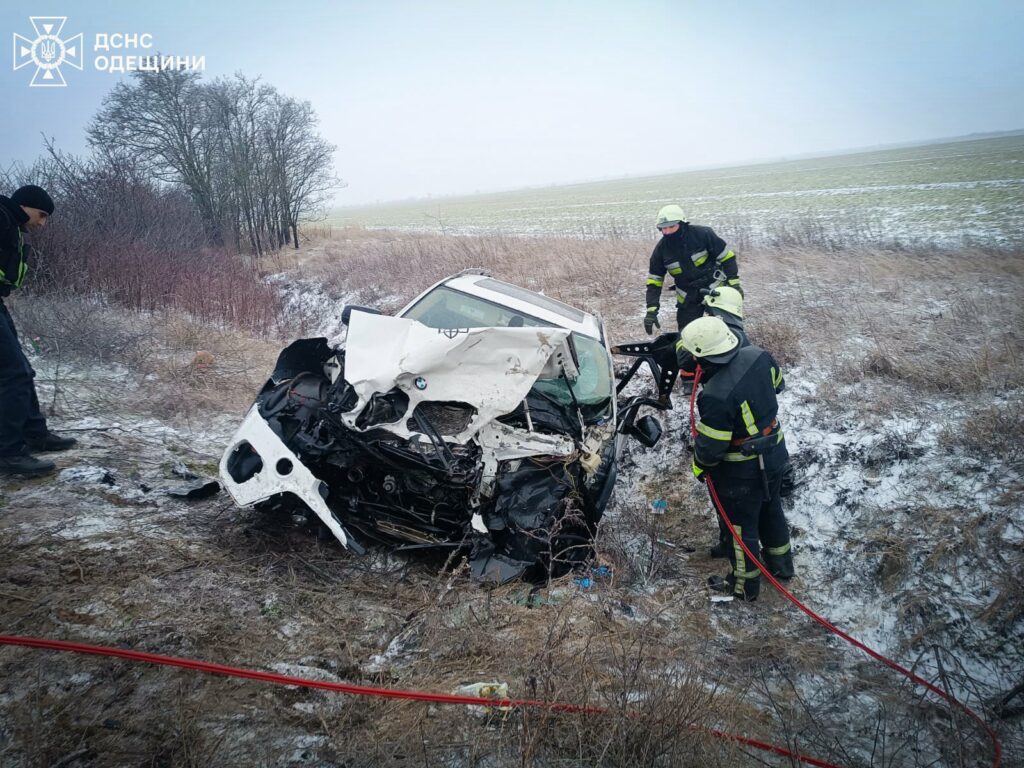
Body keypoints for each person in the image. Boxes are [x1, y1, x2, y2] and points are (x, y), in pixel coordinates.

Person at [678, 316, 794, 601]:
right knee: (771, 509)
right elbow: (777, 384)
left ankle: (743, 585)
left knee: (740, 530)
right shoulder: (759, 356)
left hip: (742, 473)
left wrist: (700, 467)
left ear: (703, 357)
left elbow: (711, 448)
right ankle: (781, 566)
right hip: (775, 454)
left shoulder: (716, 396)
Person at [0, 185, 76, 477]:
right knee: (13, 375)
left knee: (23, 370)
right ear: (25, 205)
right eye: (41, 215)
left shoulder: (10, 223)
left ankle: (34, 432)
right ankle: (8, 453)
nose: (42, 223)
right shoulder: (2, 218)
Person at [643, 204, 742, 391]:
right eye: (663, 228)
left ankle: (727, 367)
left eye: (671, 226)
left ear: (682, 223)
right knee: (686, 336)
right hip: (687, 296)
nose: (666, 231)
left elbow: (727, 258)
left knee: (725, 328)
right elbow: (654, 281)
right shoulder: (661, 250)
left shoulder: (703, 234)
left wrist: (734, 283)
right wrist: (651, 309)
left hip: (715, 290)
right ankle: (688, 377)